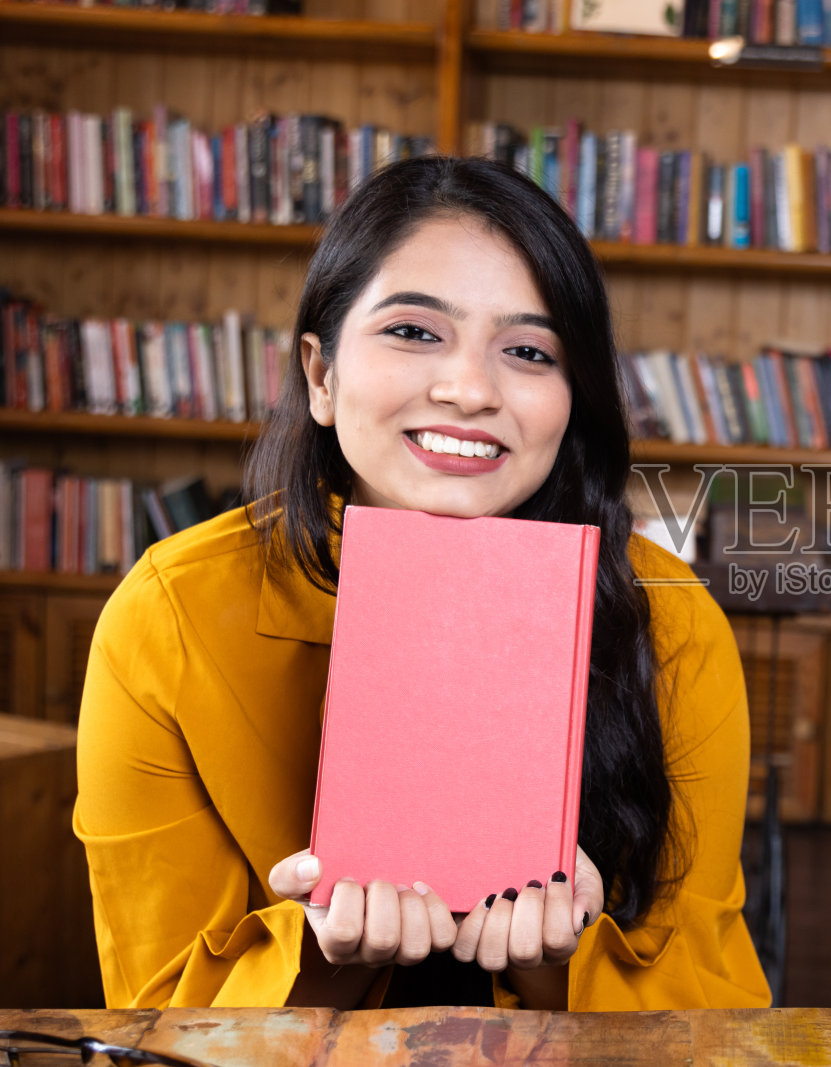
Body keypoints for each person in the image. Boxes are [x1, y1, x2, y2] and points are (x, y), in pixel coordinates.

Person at [73, 155, 772, 1012]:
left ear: (572, 397)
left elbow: (714, 1004)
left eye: (526, 349)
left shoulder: (671, 621)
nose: (469, 389)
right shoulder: (168, 619)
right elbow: (154, 1006)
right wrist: (323, 955)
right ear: (321, 376)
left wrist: (555, 964)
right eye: (413, 331)